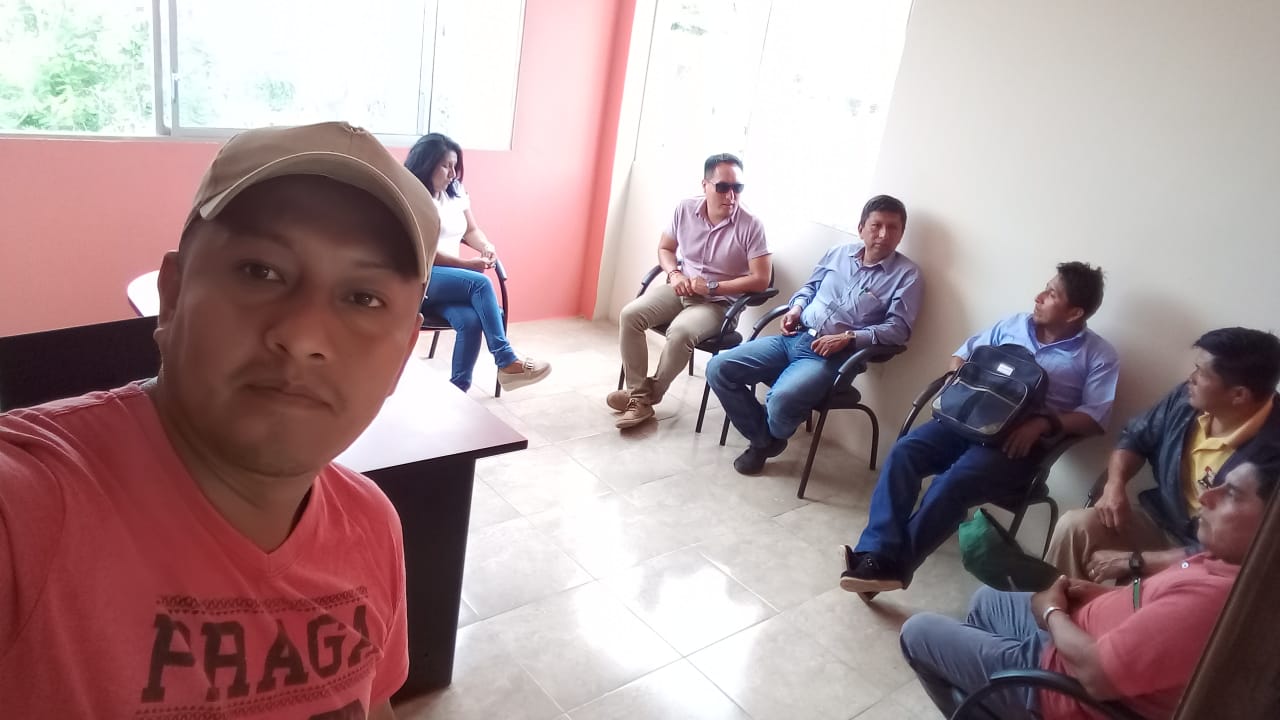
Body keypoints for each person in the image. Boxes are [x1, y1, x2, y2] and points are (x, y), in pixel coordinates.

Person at [0, 122, 433, 719]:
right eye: (261, 271)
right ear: (173, 296)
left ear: (403, 356)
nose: (302, 335)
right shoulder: (33, 510)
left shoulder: (371, 525)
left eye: (363, 298)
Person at [898, 459, 1277, 719]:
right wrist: (1100, 596)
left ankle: (1008, 695)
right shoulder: (1220, 560)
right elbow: (1151, 604)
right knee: (986, 602)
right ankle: (994, 694)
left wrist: (1052, 613)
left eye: (1232, 494)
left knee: (917, 633)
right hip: (1072, 641)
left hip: (1064, 690)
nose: (1207, 495)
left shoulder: (1217, 601)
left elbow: (1097, 676)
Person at [841, 262, 1121, 594]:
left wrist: (1044, 422)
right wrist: (956, 379)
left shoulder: (1098, 355)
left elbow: (1095, 416)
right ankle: (877, 553)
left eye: (1051, 294)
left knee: (952, 483)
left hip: (1016, 447)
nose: (1038, 297)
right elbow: (961, 356)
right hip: (967, 422)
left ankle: (891, 568)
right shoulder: (1013, 325)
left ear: (1074, 312)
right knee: (905, 452)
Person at [706, 195, 924, 474]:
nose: (883, 234)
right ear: (861, 228)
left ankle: (768, 436)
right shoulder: (838, 253)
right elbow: (809, 289)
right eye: (876, 225)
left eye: (892, 228)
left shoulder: (907, 275)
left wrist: (848, 337)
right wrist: (796, 309)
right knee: (718, 368)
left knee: (780, 400)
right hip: (793, 337)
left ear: (901, 234)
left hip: (832, 356)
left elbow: (899, 329)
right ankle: (765, 440)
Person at [1046, 327, 1280, 581]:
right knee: (1075, 526)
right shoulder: (1186, 400)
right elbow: (1135, 438)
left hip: (1214, 559)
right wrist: (1115, 484)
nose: (1191, 378)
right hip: (1162, 520)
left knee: (1140, 593)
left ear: (1239, 395)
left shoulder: (1272, 454)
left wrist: (1135, 561)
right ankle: (1048, 602)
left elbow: (1243, 551)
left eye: (1202, 373)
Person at [611, 153, 772, 429]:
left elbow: (761, 280)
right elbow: (665, 248)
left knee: (681, 332)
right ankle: (638, 394)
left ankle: (645, 399)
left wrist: (713, 286)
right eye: (723, 187)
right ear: (705, 185)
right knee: (630, 315)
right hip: (680, 289)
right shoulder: (685, 209)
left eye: (737, 188)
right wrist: (674, 274)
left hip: (719, 304)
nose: (731, 195)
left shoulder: (751, 225)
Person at [404, 132, 550, 393]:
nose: (453, 174)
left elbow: (471, 230)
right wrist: (467, 266)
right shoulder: (412, 197)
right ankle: (506, 360)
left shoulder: (456, 192)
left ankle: (458, 391)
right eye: (446, 166)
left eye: (455, 166)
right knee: (480, 283)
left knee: (470, 321)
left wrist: (486, 247)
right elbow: (425, 251)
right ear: (426, 164)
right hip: (423, 278)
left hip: (452, 283)